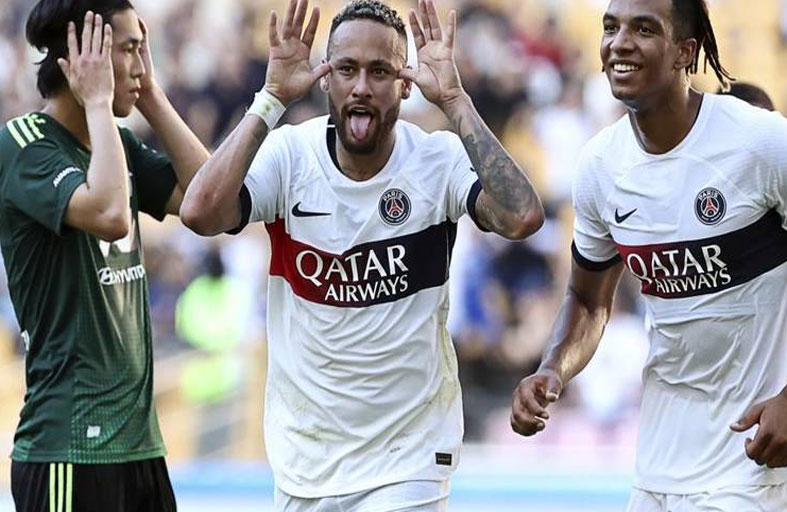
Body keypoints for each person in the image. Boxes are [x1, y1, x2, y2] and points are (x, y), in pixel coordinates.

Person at [180, 0, 544, 508]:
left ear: (405, 84)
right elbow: (199, 213)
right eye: (347, 69)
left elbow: (522, 216)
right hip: (305, 463)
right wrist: (270, 100)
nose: (362, 87)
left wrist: (456, 100)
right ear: (325, 78)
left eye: (380, 71)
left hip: (409, 461)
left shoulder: (436, 161)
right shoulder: (291, 157)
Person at [510, 0, 787, 510]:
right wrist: (553, 368)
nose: (620, 43)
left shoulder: (761, 143)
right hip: (659, 467)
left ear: (685, 52)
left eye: (643, 29)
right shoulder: (600, 166)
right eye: (610, 27)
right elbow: (588, 300)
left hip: (753, 466)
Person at [1, 1, 209, 510]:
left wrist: (152, 98)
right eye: (130, 49)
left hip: (140, 448)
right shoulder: (22, 144)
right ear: (81, 54)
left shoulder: (116, 144)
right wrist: (97, 102)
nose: (141, 66)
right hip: (68, 450)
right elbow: (111, 214)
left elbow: (211, 203)